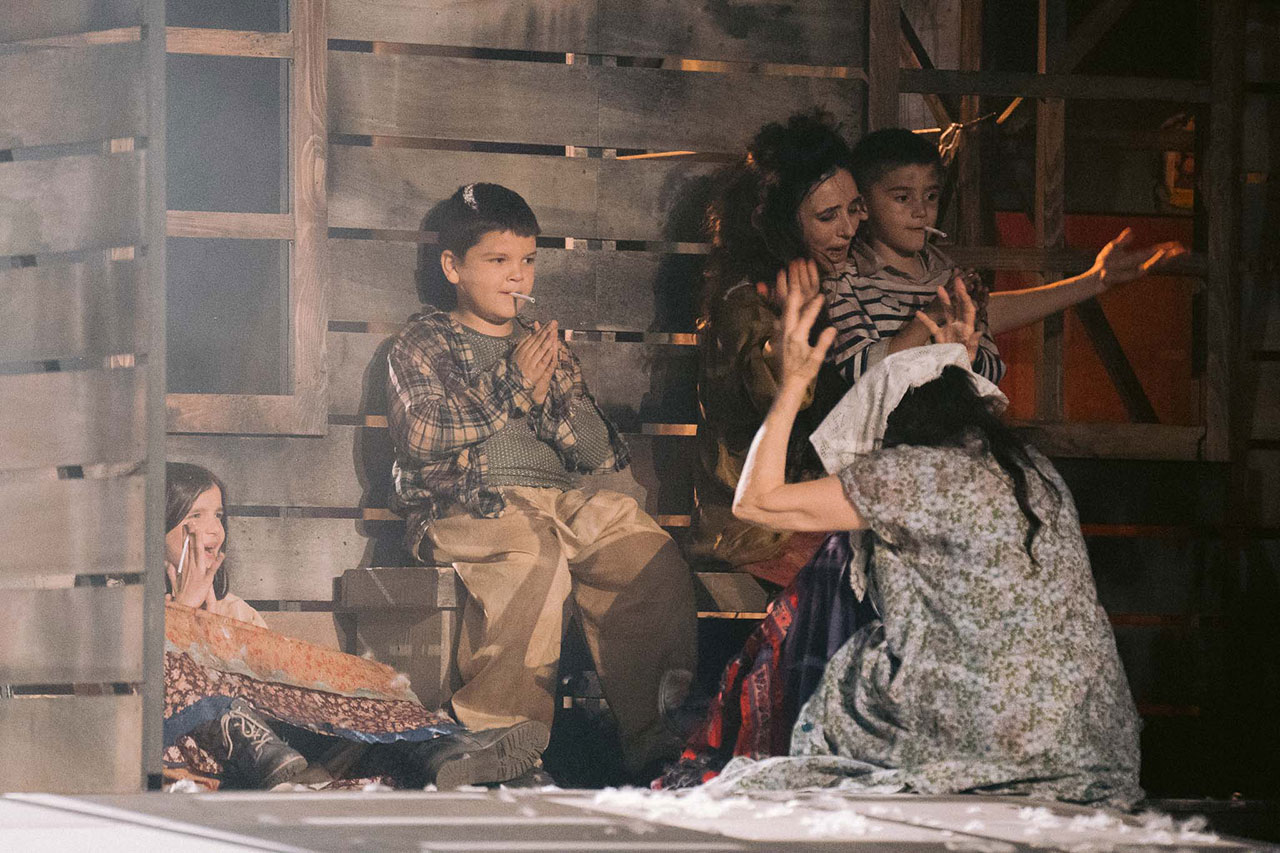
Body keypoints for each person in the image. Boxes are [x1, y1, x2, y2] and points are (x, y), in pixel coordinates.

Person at [696, 272, 1143, 807]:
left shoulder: (910, 474)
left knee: (852, 663)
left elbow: (755, 501)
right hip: (1087, 739)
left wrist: (792, 385)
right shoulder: (1034, 471)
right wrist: (954, 363)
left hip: (986, 733)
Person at [385, 183, 698, 782]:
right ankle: (499, 738)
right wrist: (511, 386)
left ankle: (660, 739)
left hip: (556, 502)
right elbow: (422, 434)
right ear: (453, 267)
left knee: (640, 545)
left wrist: (554, 391)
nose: (516, 276)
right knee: (531, 553)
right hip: (467, 503)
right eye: (497, 260)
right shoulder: (425, 340)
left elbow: (597, 453)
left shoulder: (540, 344)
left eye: (527, 260)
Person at [162, 462, 549, 790]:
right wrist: (183, 613)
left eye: (218, 516)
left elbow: (279, 690)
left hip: (295, 753)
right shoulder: (138, 613)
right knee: (177, 667)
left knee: (360, 697)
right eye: (194, 517)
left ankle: (443, 747)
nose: (213, 530)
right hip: (211, 761)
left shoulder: (235, 611)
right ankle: (279, 761)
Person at [826, 127, 1186, 385]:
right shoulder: (846, 278)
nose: (921, 211)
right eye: (902, 198)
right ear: (863, 205)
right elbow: (862, 375)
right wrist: (932, 320)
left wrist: (963, 354)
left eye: (931, 196)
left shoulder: (947, 274)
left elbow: (991, 370)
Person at [690, 110, 865, 576]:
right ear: (778, 224)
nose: (848, 229)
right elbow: (780, 397)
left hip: (809, 508)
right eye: (827, 216)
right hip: (756, 530)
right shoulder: (744, 304)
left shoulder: (828, 280)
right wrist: (785, 351)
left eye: (854, 208)